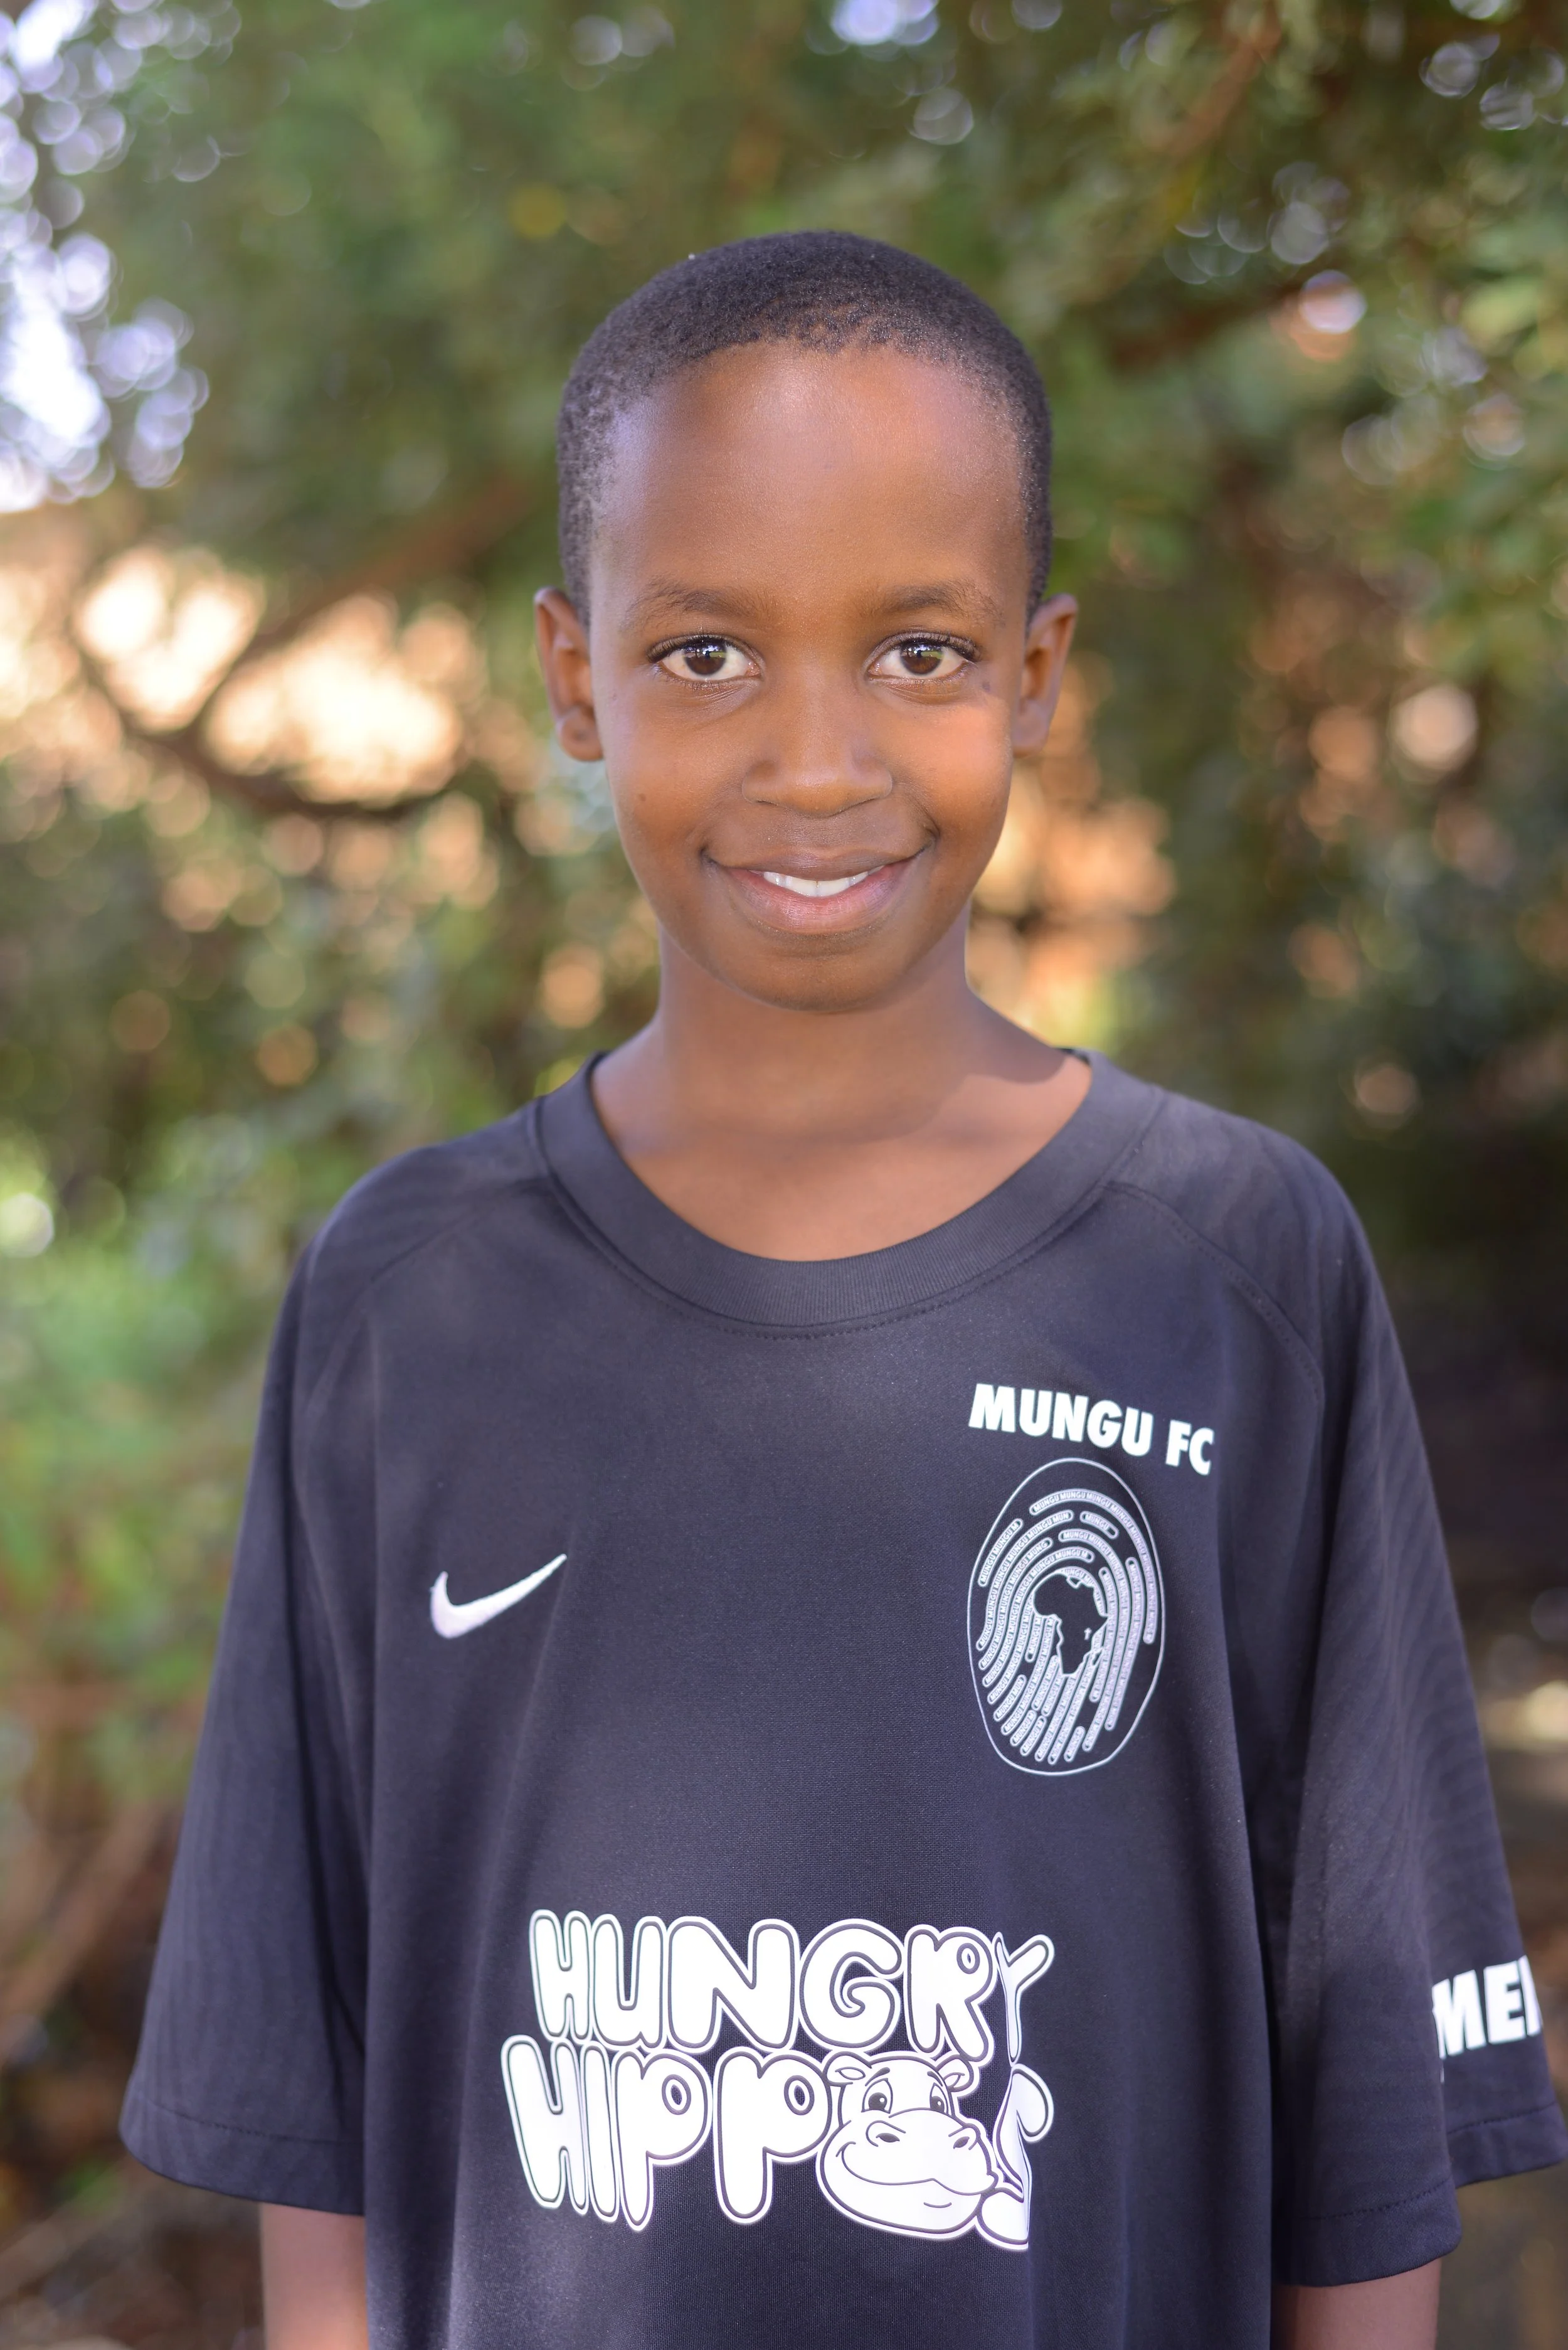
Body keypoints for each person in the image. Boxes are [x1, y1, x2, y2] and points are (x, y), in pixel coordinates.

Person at [121, 232, 1564, 2350]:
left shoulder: (1236, 1269)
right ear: (574, 678)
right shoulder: (406, 1301)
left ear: (1036, 672)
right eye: (707, 652)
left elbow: (1359, 2112)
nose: (816, 762)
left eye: (917, 649)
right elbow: (309, 2118)